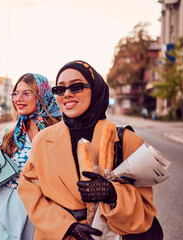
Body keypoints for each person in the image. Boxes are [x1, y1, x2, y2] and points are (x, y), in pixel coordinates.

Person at [18, 61, 156, 240]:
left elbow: (145, 209)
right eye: (59, 89)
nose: (67, 94)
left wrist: (113, 194)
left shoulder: (127, 140)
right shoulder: (42, 140)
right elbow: (29, 191)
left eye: (76, 87)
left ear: (95, 89)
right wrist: (66, 227)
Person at [0, 73, 62, 240]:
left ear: (42, 95)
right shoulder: (9, 134)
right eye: (15, 93)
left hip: (43, 214)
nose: (18, 98)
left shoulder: (60, 132)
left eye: (26, 93)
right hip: (4, 215)